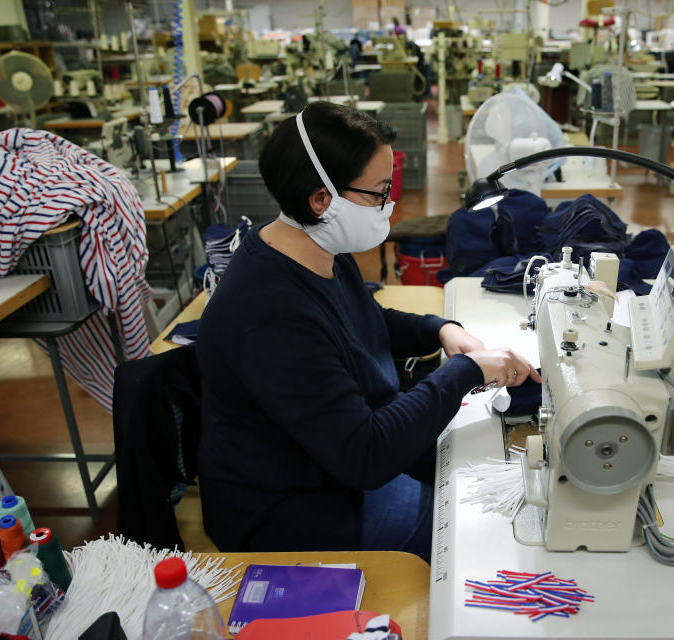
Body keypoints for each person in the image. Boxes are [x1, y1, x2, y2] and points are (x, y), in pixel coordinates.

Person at [196, 101, 540, 558]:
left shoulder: (314, 248)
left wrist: (440, 330)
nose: (389, 204)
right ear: (322, 199)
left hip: (335, 460)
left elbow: (359, 320)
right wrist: (466, 372)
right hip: (293, 505)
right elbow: (367, 457)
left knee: (478, 463)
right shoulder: (268, 312)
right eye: (379, 192)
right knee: (479, 533)